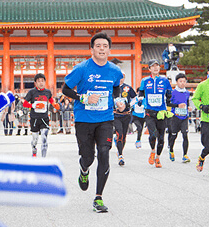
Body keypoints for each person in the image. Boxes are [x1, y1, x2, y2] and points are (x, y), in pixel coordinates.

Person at [62, 32, 122, 213]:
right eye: (98, 46)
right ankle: (84, 169)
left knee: (104, 152)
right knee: (88, 157)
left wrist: (118, 99)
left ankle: (98, 198)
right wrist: (84, 97)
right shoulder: (82, 68)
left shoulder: (115, 70)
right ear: (92, 49)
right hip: (84, 119)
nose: (102, 49)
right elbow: (65, 89)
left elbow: (116, 86)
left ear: (109, 49)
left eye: (105, 46)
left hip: (105, 118)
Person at [138, 59, 173, 168]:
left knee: (161, 138)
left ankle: (158, 157)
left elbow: (169, 94)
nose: (156, 68)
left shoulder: (165, 80)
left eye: (157, 66)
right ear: (149, 68)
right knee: (153, 135)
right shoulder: (145, 81)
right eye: (153, 66)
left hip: (161, 113)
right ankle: (153, 150)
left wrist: (169, 103)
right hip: (149, 112)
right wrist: (139, 100)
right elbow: (141, 92)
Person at [23, 74, 60, 157]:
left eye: (42, 81)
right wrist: (33, 105)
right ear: (35, 82)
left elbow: (50, 99)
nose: (41, 83)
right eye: (39, 81)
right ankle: (34, 148)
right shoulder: (32, 92)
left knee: (44, 138)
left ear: (45, 82)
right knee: (35, 139)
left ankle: (43, 159)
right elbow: (24, 103)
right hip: (34, 118)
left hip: (44, 118)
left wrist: (54, 104)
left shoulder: (47, 92)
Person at [167, 73, 191, 163]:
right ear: (176, 82)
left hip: (184, 116)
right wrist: (177, 105)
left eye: (184, 81)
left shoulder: (187, 93)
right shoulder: (173, 92)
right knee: (174, 135)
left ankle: (185, 155)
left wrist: (188, 107)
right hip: (175, 117)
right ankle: (171, 150)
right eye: (180, 81)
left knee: (185, 135)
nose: (182, 83)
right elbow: (168, 103)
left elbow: (186, 102)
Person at [113, 72, 136, 166]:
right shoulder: (112, 87)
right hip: (116, 115)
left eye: (122, 77)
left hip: (126, 115)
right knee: (120, 133)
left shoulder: (128, 88)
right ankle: (120, 156)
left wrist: (128, 105)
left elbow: (135, 98)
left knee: (124, 136)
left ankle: (120, 150)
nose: (120, 79)